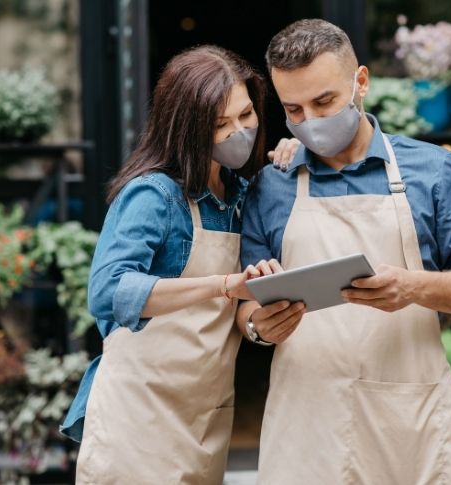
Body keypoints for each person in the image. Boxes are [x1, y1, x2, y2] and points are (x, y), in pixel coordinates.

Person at [237, 20, 451, 484]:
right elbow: (246, 303)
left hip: (411, 424)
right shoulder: (271, 184)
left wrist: (413, 286)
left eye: (324, 102)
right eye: (293, 110)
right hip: (307, 428)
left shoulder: (434, 170)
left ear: (360, 81)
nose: (310, 121)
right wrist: (258, 327)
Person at [60, 45, 302, 484]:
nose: (239, 132)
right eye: (220, 124)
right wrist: (226, 285)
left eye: (246, 116)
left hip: (205, 414)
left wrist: (296, 159)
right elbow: (109, 292)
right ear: (187, 128)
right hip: (138, 417)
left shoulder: (243, 195)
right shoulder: (155, 195)